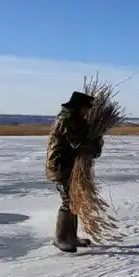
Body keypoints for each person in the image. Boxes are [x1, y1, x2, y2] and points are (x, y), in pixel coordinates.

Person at [45, 91, 104, 253]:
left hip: (70, 165)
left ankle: (71, 236)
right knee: (68, 201)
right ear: (78, 107)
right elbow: (77, 144)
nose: (87, 112)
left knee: (75, 200)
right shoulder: (66, 120)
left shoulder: (77, 120)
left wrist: (95, 141)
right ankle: (61, 238)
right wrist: (95, 145)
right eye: (86, 108)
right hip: (60, 166)